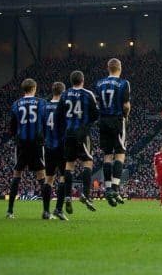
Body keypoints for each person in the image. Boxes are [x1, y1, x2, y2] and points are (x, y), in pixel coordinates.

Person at [56, 70, 99, 214]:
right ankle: (85, 194)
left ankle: (68, 196)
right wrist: (86, 124)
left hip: (68, 133)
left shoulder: (64, 94)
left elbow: (58, 115)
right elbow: (95, 114)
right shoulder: (88, 94)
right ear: (83, 80)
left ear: (71, 80)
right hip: (82, 132)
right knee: (88, 162)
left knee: (69, 165)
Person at [6, 78, 48, 219]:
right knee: (42, 176)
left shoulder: (16, 104)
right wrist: (44, 138)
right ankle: (46, 211)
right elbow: (46, 122)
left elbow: (12, 126)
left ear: (23, 89)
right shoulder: (41, 103)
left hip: (22, 144)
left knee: (17, 174)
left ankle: (10, 211)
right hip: (37, 143)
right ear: (34, 88)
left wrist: (16, 138)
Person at [95, 58, 131, 207]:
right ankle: (115, 187)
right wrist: (126, 117)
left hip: (103, 121)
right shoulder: (124, 83)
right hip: (117, 119)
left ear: (108, 68)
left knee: (107, 156)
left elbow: (97, 104)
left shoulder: (98, 84)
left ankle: (108, 188)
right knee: (120, 153)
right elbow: (126, 105)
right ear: (120, 68)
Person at [44, 81, 68, 220]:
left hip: (48, 146)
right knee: (63, 177)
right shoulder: (63, 107)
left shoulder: (45, 107)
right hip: (62, 145)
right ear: (63, 92)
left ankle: (46, 212)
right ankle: (58, 209)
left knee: (49, 179)